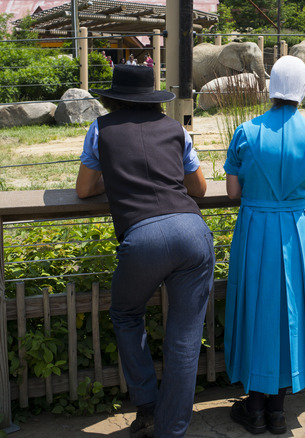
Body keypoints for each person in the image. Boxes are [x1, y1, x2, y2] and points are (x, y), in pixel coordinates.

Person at [75, 64, 215, 438]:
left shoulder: (100, 130)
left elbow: (84, 189)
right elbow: (198, 189)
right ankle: (172, 430)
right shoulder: (175, 130)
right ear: (153, 98)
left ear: (112, 98)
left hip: (142, 237)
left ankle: (148, 407)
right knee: (184, 340)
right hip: (192, 230)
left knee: (125, 314)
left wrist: (119, 175)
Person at [223, 55, 305, 435]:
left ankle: (254, 409)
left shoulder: (245, 132)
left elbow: (233, 191)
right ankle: (279, 413)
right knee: (294, 311)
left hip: (256, 229)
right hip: (299, 231)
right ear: (302, 88)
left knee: (256, 309)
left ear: (271, 87)